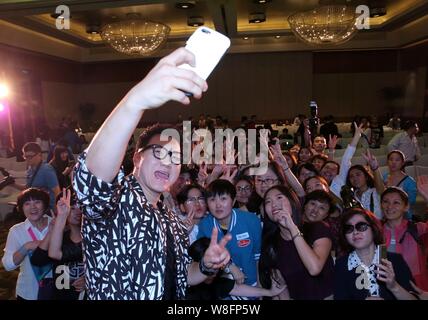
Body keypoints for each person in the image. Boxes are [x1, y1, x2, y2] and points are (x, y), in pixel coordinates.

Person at [72, 47, 231, 300]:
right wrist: (135, 101)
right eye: (159, 153)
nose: (168, 164)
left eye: (176, 158)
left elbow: (179, 276)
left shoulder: (171, 219)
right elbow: (90, 182)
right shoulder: (116, 201)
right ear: (137, 157)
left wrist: (205, 266)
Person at [260, 185, 334, 300]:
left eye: (279, 198)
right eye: (268, 202)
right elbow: (280, 286)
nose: (274, 204)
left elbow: (314, 268)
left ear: (292, 201)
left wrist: (292, 227)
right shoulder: (271, 243)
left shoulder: (318, 228)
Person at [197, 180, 261, 299]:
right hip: (222, 288)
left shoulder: (251, 221)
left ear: (234, 200)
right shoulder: (205, 225)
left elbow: (257, 256)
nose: (218, 205)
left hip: (251, 285)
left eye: (223, 199)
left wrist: (259, 285)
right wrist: (229, 266)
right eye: (212, 200)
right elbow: (204, 256)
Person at [334, 208, 416, 300]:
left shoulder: (395, 260)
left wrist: (394, 286)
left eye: (361, 226)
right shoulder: (341, 265)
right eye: (348, 229)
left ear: (373, 229)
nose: (355, 232)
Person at [186, 237, 287, 300]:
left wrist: (270, 292)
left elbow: (237, 288)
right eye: (210, 262)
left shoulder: (218, 281)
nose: (214, 266)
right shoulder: (186, 287)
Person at [2, 188, 52, 300]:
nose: (33, 207)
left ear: (45, 205)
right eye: (27, 203)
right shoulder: (16, 231)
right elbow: (8, 265)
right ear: (22, 208)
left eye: (37, 202)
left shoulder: (57, 226)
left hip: (58, 290)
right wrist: (26, 247)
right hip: (28, 292)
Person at [381, 187, 428, 291]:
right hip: (387, 290)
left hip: (417, 290)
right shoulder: (375, 232)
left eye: (396, 202)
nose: (389, 206)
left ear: (406, 207)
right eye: (386, 202)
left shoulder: (418, 229)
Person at [12, 142, 60, 209]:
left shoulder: (46, 170)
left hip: (48, 209)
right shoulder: (30, 169)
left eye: (30, 156)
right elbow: (28, 187)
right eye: (25, 157)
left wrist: (57, 211)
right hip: (37, 208)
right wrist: (12, 184)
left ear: (39, 155)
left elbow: (57, 192)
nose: (27, 159)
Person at [382, 150, 417, 219]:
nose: (393, 162)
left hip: (403, 216)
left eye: (397, 160)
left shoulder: (410, 181)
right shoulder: (384, 177)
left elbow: (410, 201)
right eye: (391, 159)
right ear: (387, 162)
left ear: (403, 163)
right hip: (386, 213)